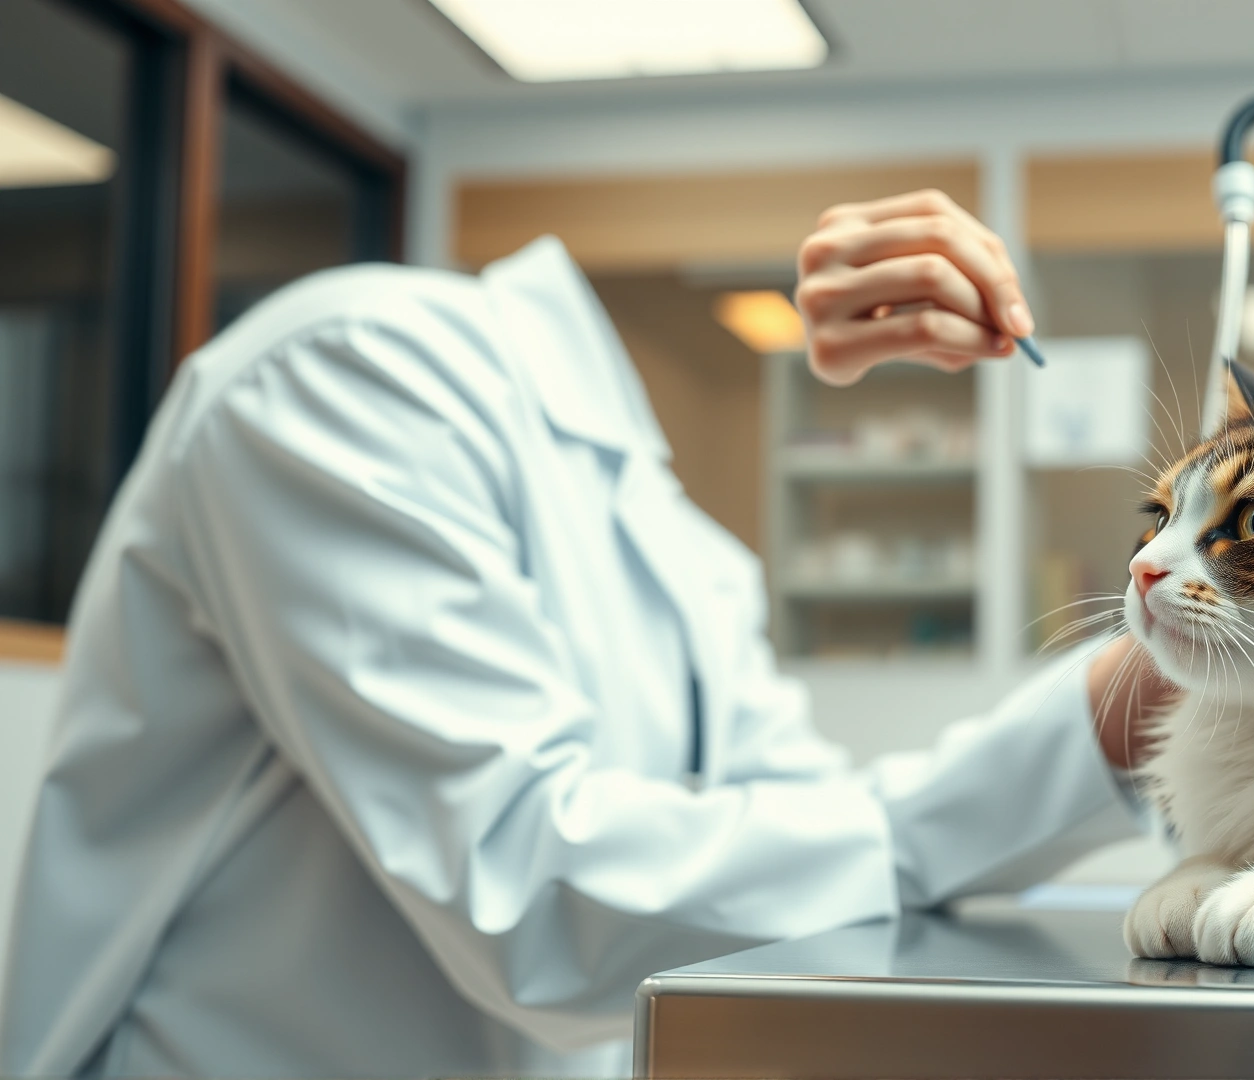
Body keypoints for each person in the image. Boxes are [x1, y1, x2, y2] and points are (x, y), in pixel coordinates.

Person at [0, 191, 1171, 1078]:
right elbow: (531, 893)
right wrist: (1102, 712)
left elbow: (818, 845)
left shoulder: (676, 542)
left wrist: (1120, 718)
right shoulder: (361, 370)